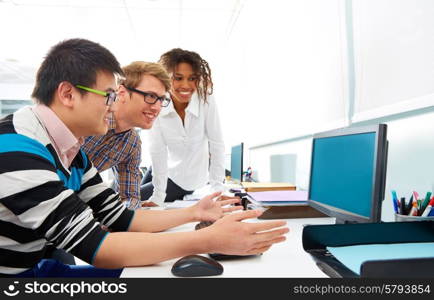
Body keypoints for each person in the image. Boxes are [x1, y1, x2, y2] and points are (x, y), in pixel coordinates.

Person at [0, 38, 288, 277]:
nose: (112, 104)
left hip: (36, 267)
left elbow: (120, 216)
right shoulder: (16, 148)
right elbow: (95, 247)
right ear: (68, 94)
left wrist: (194, 213)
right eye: (108, 95)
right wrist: (206, 240)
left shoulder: (71, 150)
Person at [141, 48, 225, 206]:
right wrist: (157, 196)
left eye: (192, 78)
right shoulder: (156, 101)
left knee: (135, 199)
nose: (186, 85)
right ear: (166, 79)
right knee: (127, 198)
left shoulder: (205, 98)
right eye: (178, 78)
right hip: (160, 168)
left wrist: (217, 190)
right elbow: (157, 150)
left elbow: (217, 144)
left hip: (182, 179)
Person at [82, 61, 171, 210]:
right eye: (150, 96)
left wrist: (128, 214)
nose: (156, 107)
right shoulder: (88, 118)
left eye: (161, 99)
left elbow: (130, 197)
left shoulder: (132, 144)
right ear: (122, 93)